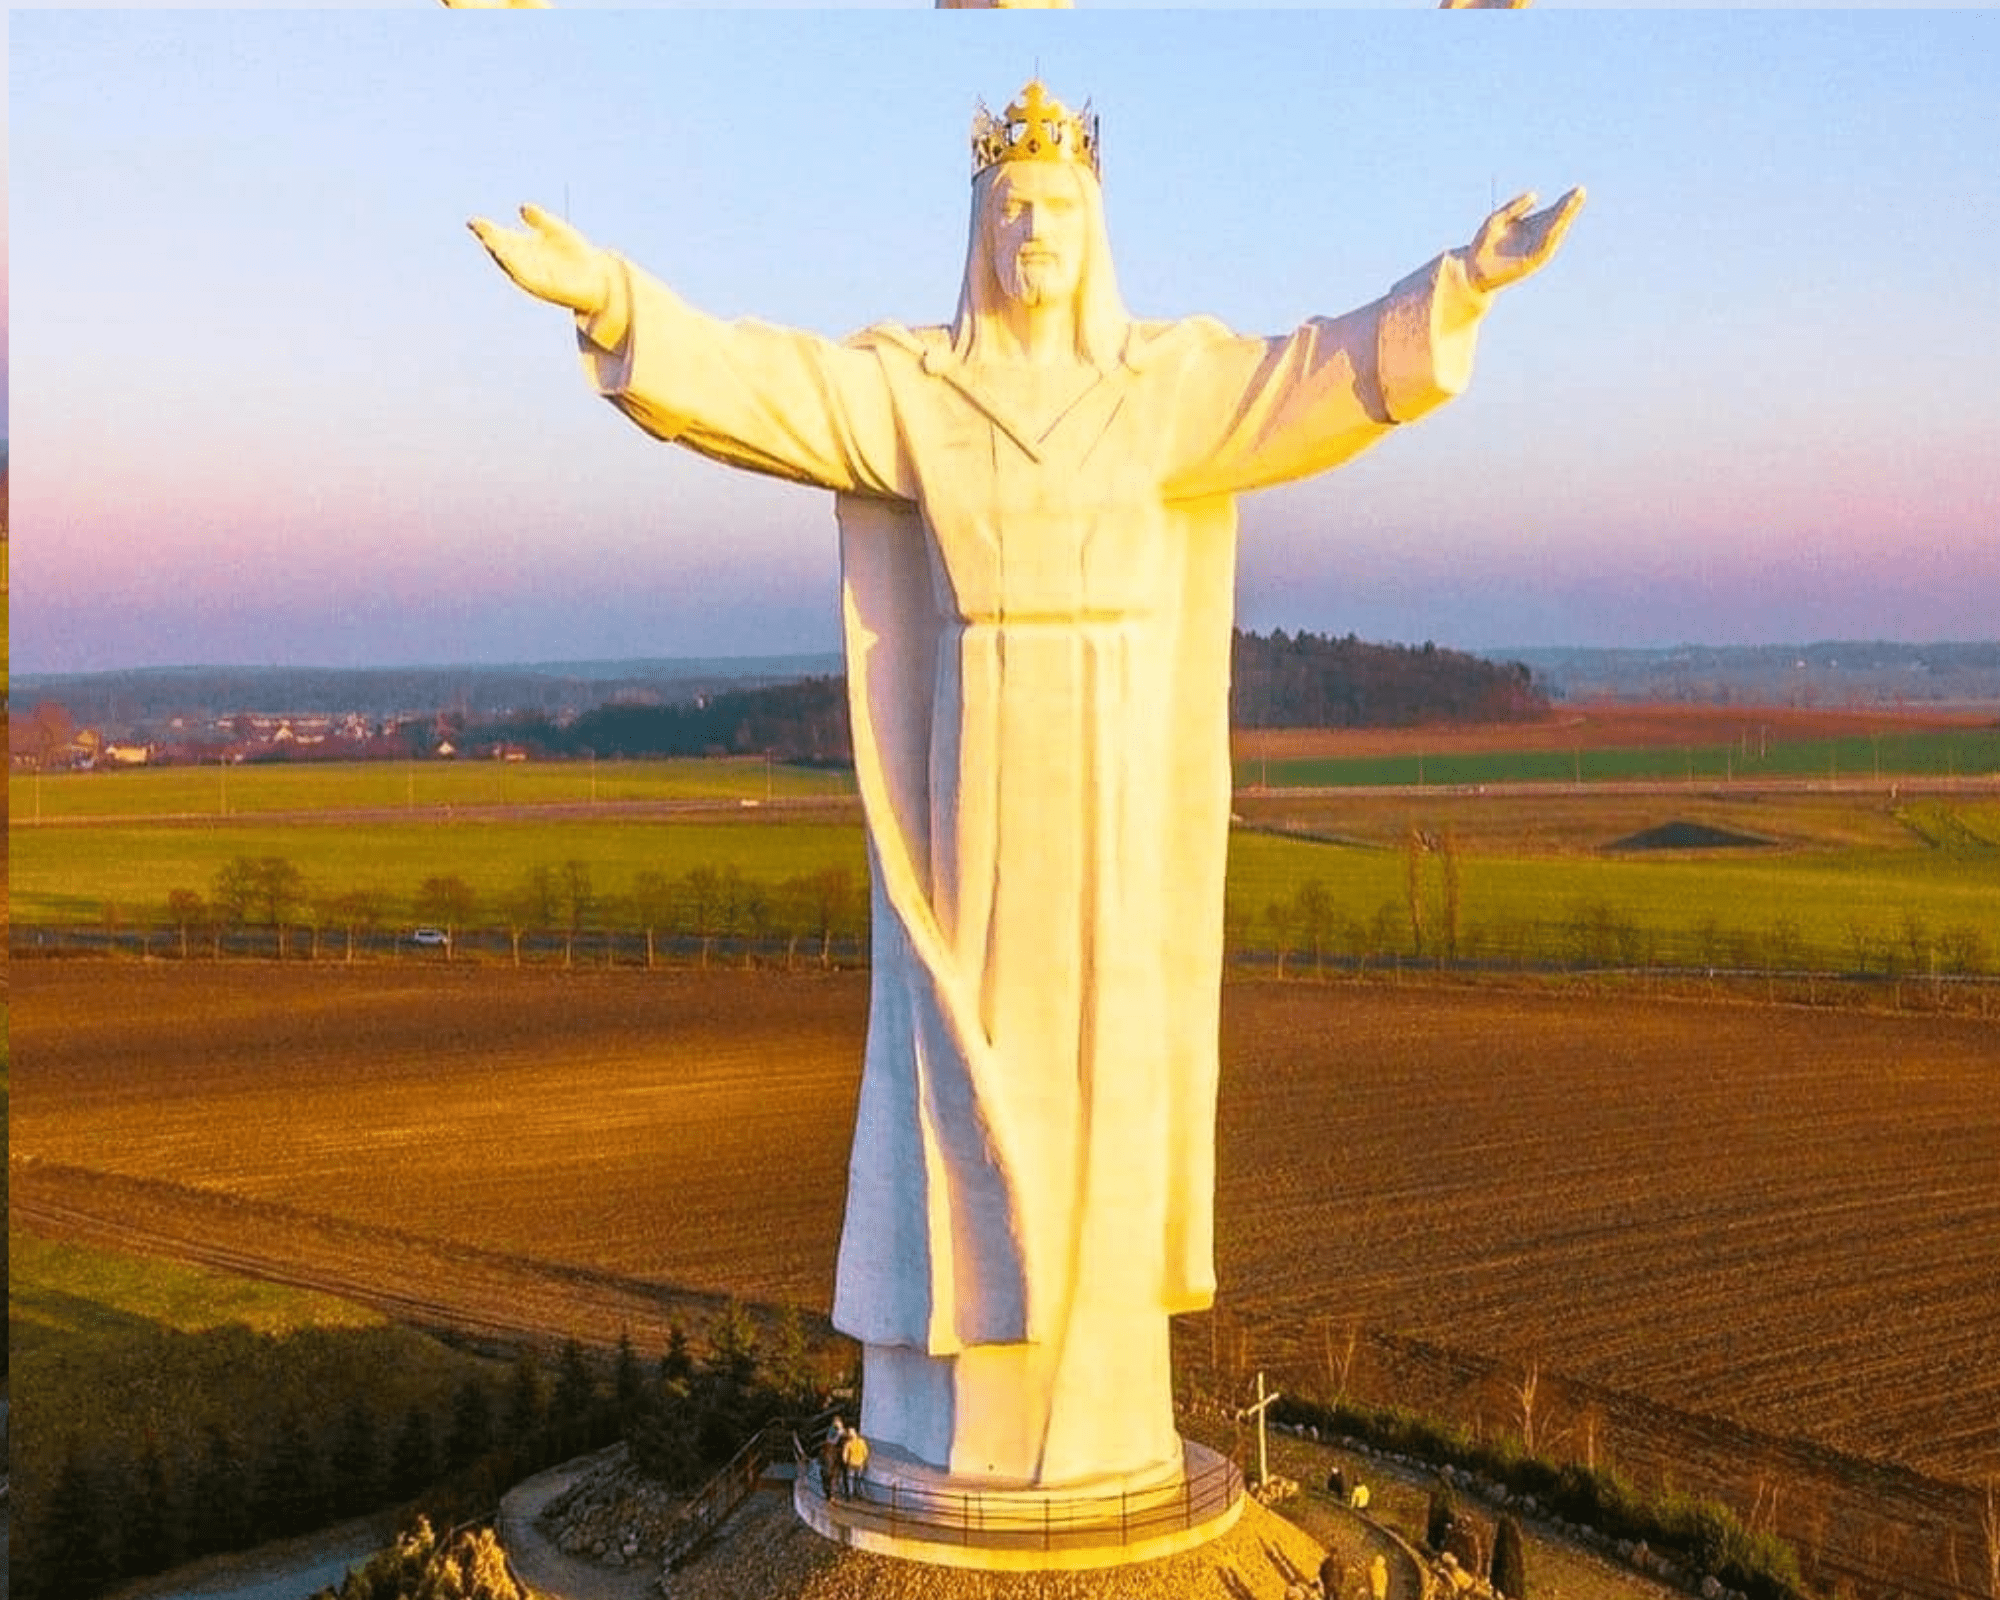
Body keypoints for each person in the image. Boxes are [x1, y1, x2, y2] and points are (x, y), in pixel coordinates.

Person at [472, 79, 1579, 1489]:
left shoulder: (1162, 386)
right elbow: (767, 390)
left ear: (1095, 227)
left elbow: (1322, 377)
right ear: (978, 234)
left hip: (1117, 761)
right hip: (979, 757)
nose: (1033, 225)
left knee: (1109, 1058)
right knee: (976, 1049)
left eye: (1056, 203)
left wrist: (1461, 287)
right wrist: (619, 301)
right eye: (1010, 206)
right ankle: (964, 1400)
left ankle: (1097, 1392)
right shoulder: (921, 395)